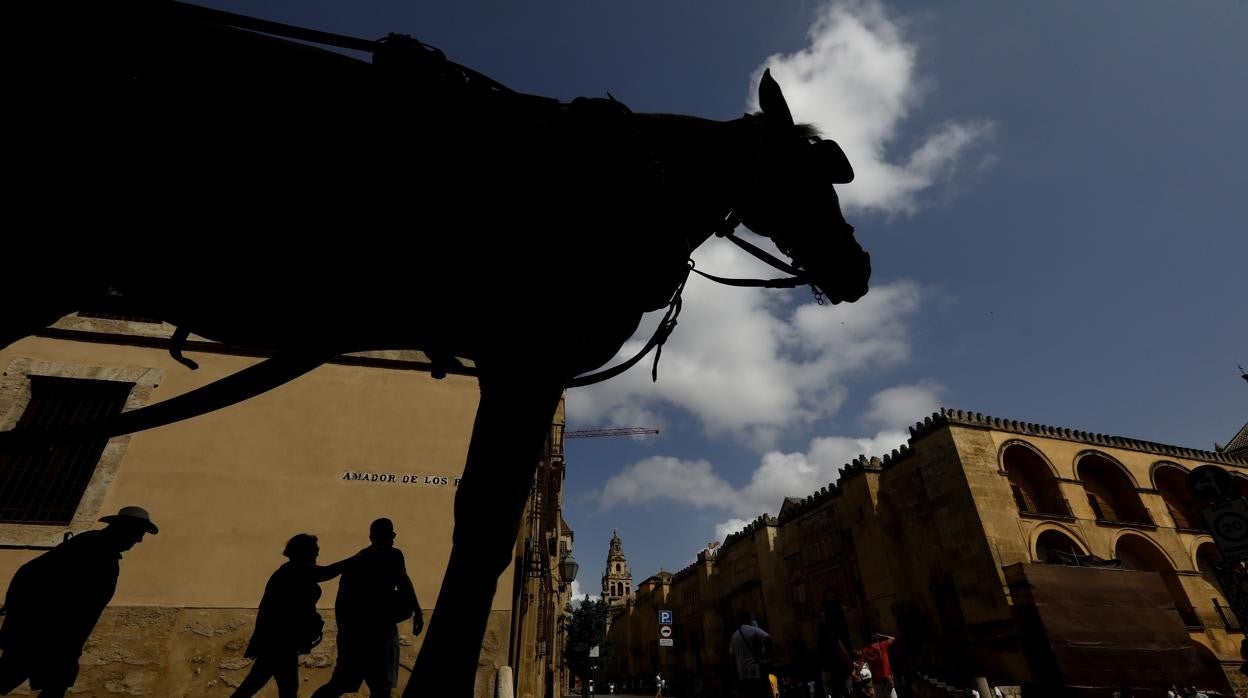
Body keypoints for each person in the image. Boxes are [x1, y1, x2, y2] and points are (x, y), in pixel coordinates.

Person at [0, 506, 157, 698]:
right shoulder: (91, 547)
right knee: (19, 674)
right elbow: (30, 574)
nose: (139, 540)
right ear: (124, 528)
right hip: (46, 631)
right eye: (138, 533)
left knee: (52, 680)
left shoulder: (102, 551)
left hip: (62, 636)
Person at [311, 518, 423, 698]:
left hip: (357, 634)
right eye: (391, 534)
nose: (393, 537)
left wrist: (346, 632)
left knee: (344, 685)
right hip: (378, 632)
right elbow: (403, 581)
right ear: (387, 536)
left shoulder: (358, 561)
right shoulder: (391, 556)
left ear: (371, 537)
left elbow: (342, 601)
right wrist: (416, 611)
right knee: (379, 687)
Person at [231, 534, 353, 698]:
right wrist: (358, 558)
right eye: (314, 549)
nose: (317, 552)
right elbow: (326, 572)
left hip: (279, 641)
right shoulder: (296, 569)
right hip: (280, 640)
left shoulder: (290, 570)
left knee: (261, 685)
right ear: (304, 551)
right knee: (281, 687)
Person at [729, 610, 771, 698]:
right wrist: (765, 656)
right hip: (755, 671)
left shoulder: (734, 636)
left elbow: (732, 657)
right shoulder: (752, 630)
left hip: (742, 675)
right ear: (747, 619)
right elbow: (768, 638)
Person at [861, 633, 895, 698]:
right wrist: (881, 635)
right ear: (877, 639)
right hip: (886, 678)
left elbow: (862, 663)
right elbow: (893, 638)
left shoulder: (865, 650)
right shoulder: (882, 645)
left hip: (876, 679)